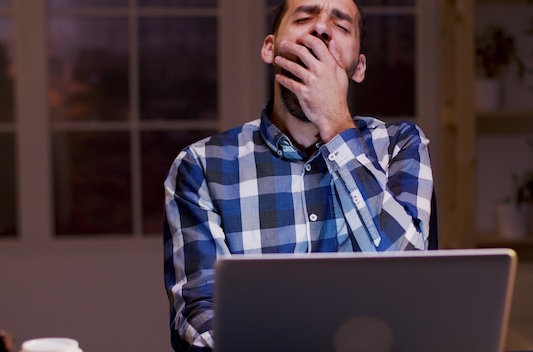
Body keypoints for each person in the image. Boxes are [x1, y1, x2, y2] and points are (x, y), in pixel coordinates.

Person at [163, 0, 434, 350]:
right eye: (305, 17)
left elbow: (413, 284)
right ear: (270, 48)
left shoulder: (400, 145)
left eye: (341, 26)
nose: (321, 29)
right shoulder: (201, 165)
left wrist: (336, 123)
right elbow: (200, 312)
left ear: (359, 67)